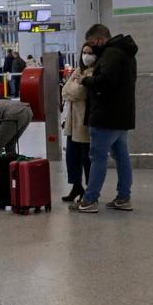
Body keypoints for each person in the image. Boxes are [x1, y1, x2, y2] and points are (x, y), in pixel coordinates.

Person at [71, 23, 138, 214]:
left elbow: (103, 83)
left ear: (99, 39)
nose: (93, 47)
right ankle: (124, 197)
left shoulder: (110, 55)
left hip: (105, 116)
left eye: (93, 43)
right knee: (121, 156)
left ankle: (90, 199)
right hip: (122, 115)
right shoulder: (127, 53)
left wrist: (85, 80)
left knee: (98, 158)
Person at [61, 43, 95, 202]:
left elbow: (79, 91)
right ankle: (76, 186)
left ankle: (89, 190)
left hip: (85, 121)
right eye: (84, 52)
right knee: (71, 156)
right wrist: (75, 85)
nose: (86, 56)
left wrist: (75, 87)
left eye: (89, 53)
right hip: (72, 122)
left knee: (86, 157)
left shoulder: (94, 72)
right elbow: (65, 91)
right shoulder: (78, 71)